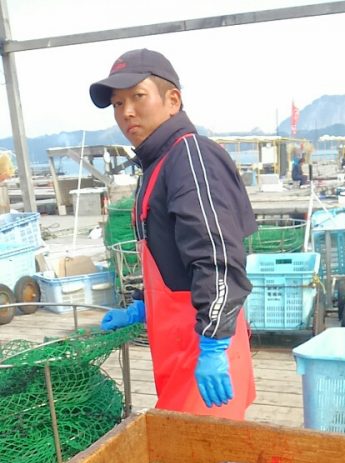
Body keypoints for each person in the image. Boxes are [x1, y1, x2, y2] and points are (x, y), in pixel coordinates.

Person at [89, 49, 257, 418]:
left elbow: (218, 255)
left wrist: (213, 344)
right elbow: (171, 255)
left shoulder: (191, 157)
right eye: (117, 103)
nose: (126, 112)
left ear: (172, 101)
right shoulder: (158, 163)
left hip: (204, 347)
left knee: (200, 450)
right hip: (177, 348)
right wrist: (143, 305)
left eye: (138, 96)